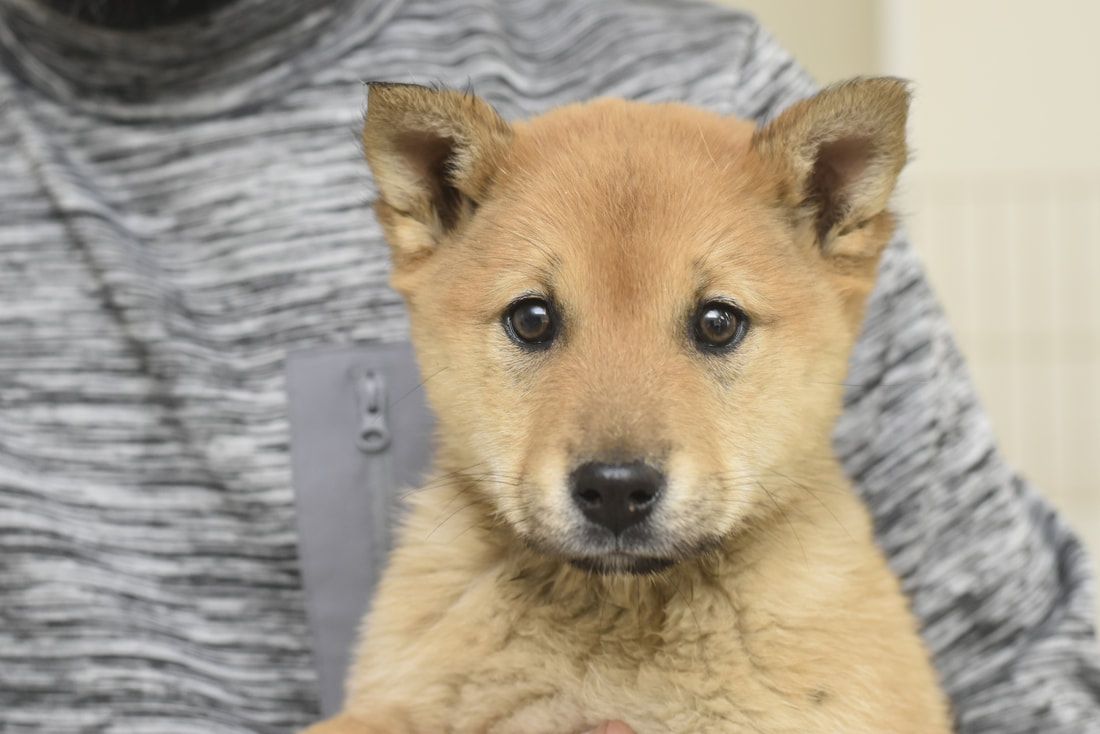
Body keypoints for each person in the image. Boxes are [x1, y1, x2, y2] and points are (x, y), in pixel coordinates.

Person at [0, 1, 1097, 733]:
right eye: (533, 322)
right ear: (428, 208)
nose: (616, 448)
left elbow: (1026, 661)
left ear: (833, 219)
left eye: (713, 326)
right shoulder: (441, 592)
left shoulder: (696, 65)